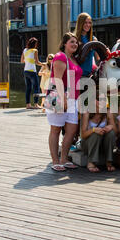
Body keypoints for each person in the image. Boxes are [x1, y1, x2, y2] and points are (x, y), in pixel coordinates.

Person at [47, 32, 83, 171]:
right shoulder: (60, 57)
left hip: (73, 98)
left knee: (72, 130)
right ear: (64, 44)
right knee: (55, 129)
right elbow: (57, 79)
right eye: (72, 42)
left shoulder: (73, 59)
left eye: (76, 42)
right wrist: (63, 99)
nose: (75, 44)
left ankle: (64, 158)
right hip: (59, 97)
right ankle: (55, 161)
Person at [81, 91, 117, 173]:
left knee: (111, 133)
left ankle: (109, 161)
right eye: (99, 99)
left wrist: (111, 127)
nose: (102, 102)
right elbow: (83, 135)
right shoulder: (87, 113)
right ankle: (91, 162)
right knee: (95, 134)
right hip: (88, 145)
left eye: (104, 99)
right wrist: (93, 130)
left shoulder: (108, 112)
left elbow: (116, 132)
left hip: (102, 145)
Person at [74, 13, 100, 78]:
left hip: (89, 75)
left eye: (89, 23)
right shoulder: (74, 39)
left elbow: (98, 58)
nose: (88, 25)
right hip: (76, 75)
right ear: (80, 23)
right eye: (85, 22)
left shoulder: (93, 39)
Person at [21, 37, 43, 109]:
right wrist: (44, 64)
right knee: (36, 87)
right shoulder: (35, 50)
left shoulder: (25, 50)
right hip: (32, 71)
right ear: (35, 44)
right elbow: (37, 62)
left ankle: (28, 105)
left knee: (28, 88)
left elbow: (22, 61)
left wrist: (28, 61)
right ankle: (36, 104)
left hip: (26, 71)